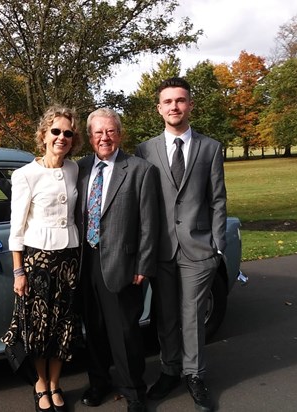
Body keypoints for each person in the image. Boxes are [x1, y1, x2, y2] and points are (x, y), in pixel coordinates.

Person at [135, 77, 227, 412]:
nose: (174, 106)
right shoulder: (145, 150)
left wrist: (217, 246)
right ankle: (170, 370)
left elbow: (218, 200)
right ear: (159, 108)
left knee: (192, 315)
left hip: (199, 249)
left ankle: (195, 375)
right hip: (160, 250)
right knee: (165, 316)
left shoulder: (210, 147)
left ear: (190, 105)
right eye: (168, 101)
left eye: (181, 100)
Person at [76, 108, 159, 412]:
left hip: (124, 265)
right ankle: (99, 382)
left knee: (125, 332)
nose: (104, 137)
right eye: (98, 132)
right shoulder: (80, 168)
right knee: (94, 329)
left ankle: (134, 391)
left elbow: (150, 224)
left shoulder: (140, 170)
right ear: (89, 137)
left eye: (110, 131)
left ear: (120, 134)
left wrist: (143, 265)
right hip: (86, 261)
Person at [1, 105, 83, 412]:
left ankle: (55, 384)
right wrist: (18, 271)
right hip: (37, 262)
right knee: (38, 328)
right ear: (43, 135)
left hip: (70, 261)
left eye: (68, 133)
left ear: (73, 139)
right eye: (56, 131)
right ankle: (39, 384)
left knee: (64, 325)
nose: (62, 137)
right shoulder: (25, 175)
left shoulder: (75, 169)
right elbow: (16, 227)